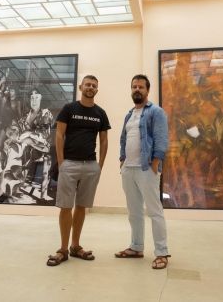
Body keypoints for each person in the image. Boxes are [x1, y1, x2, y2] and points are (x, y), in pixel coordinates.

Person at [46, 75, 110, 267]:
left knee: (81, 206)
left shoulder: (100, 113)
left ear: (97, 90)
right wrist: (61, 161)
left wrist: (100, 166)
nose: (90, 87)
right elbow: (59, 134)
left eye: (94, 86)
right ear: (81, 87)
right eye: (88, 84)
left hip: (90, 166)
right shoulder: (69, 109)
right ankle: (63, 249)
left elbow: (104, 140)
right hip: (70, 164)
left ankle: (75, 246)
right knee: (66, 207)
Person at [114, 74, 171, 269]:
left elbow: (162, 139)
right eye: (134, 87)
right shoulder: (129, 114)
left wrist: (155, 162)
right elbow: (124, 138)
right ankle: (136, 247)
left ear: (147, 90)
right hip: (128, 169)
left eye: (140, 87)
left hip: (147, 169)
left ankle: (161, 252)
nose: (137, 90)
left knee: (155, 212)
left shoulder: (156, 112)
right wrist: (122, 160)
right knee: (134, 212)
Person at [17, 89, 54, 201]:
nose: (34, 100)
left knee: (23, 143)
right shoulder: (26, 115)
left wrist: (28, 133)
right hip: (28, 147)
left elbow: (44, 134)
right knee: (18, 146)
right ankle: (16, 181)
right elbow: (19, 130)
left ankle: (17, 181)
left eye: (36, 97)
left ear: (41, 98)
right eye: (32, 98)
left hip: (42, 146)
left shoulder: (45, 113)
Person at [0, 69, 23, 152]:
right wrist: (0, 82)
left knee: (11, 145)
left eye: (13, 90)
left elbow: (20, 115)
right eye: (10, 90)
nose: (11, 92)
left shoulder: (18, 102)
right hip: (5, 125)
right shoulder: (5, 99)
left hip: (13, 126)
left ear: (15, 92)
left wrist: (18, 126)